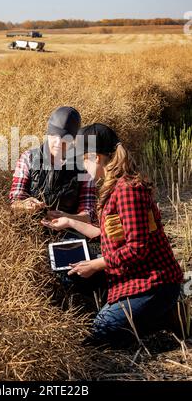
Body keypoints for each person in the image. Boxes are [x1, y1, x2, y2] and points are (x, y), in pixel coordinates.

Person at [43, 123, 183, 346]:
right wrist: (68, 220)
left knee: (102, 331)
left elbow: (137, 248)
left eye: (82, 159)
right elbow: (107, 234)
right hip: (131, 274)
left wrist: (96, 264)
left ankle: (165, 315)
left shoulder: (128, 190)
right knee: (72, 274)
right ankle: (136, 311)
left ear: (96, 157)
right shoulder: (115, 185)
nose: (81, 164)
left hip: (154, 282)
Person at [9, 106, 97, 225]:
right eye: (54, 136)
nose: (59, 143)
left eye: (66, 138)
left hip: (69, 233)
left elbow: (88, 214)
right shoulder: (28, 158)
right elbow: (14, 200)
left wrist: (68, 219)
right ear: (48, 134)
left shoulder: (84, 164)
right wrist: (24, 205)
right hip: (30, 230)